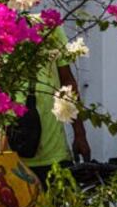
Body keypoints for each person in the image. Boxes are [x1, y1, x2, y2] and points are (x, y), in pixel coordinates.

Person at [22, 27, 91, 186]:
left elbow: (67, 82)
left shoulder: (48, 27)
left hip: (53, 152)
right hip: (12, 157)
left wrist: (80, 134)